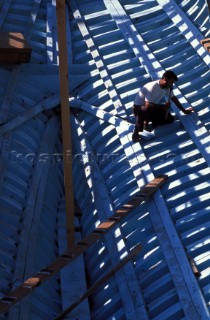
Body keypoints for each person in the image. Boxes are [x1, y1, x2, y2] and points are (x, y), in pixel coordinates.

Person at [132, 70, 193, 142]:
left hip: (151, 108)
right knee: (144, 109)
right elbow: (147, 104)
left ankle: (149, 121)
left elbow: (173, 98)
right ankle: (137, 130)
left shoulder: (166, 87)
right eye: (171, 82)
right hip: (139, 109)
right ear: (165, 79)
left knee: (169, 119)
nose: (172, 85)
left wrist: (184, 110)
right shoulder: (153, 87)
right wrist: (163, 106)